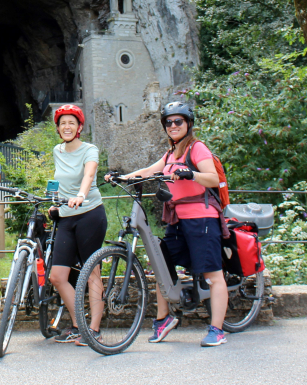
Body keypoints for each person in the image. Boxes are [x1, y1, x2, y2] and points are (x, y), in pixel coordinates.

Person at [112, 101, 228, 347]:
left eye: (178, 121)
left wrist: (191, 174)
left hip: (202, 219)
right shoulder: (170, 154)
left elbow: (214, 178)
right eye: (169, 122)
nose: (173, 125)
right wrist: (121, 177)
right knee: (162, 265)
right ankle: (164, 319)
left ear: (188, 124)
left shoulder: (197, 149)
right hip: (177, 220)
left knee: (213, 274)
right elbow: (148, 171)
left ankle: (217, 329)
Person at [48, 104, 107, 347]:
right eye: (63, 123)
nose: (67, 127)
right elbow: (57, 178)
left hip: (89, 214)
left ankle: (93, 329)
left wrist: (81, 195)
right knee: (57, 276)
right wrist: (53, 202)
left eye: (72, 123)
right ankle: (78, 324)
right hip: (66, 216)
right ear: (58, 129)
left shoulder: (89, 149)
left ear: (79, 127)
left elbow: (89, 175)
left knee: (91, 272)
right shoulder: (57, 150)